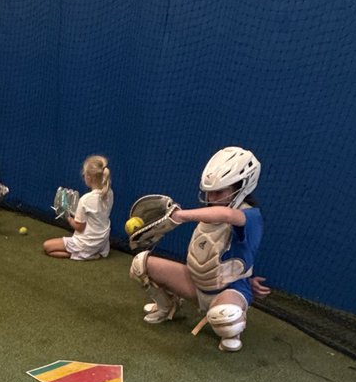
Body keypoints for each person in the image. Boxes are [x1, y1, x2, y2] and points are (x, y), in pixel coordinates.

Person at [129, 146, 264, 352]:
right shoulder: (209, 212)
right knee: (140, 264)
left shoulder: (251, 216)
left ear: (242, 187)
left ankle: (233, 327)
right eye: (209, 192)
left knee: (226, 318)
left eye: (219, 192)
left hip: (228, 290)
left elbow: (228, 216)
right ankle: (168, 305)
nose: (212, 198)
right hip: (196, 284)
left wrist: (179, 216)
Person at [44, 155, 113, 259]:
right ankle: (92, 253)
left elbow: (79, 227)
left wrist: (67, 216)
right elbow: (95, 216)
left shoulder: (85, 199)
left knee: (47, 247)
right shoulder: (109, 193)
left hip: (87, 243)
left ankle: (83, 255)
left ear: (88, 177)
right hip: (102, 243)